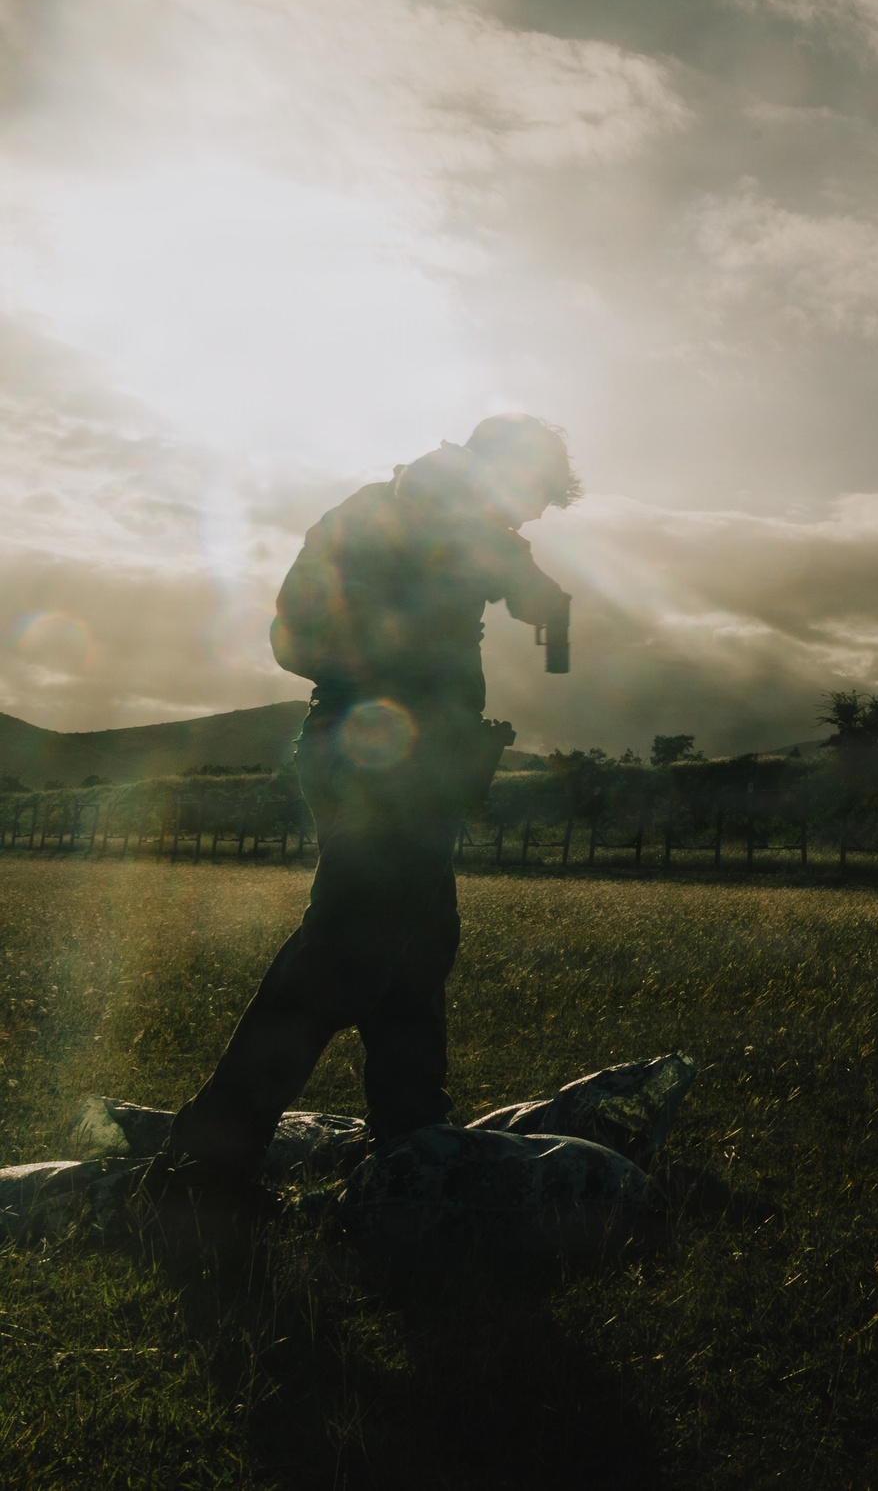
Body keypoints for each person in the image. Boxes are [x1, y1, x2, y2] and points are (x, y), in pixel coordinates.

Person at [149, 414, 580, 1208]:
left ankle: (409, 1129)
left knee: (416, 942)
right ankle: (208, 1155)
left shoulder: (453, 520)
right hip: (370, 758)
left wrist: (538, 596)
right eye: (529, 497)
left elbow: (510, 572)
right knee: (344, 948)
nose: (526, 518)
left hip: (418, 770)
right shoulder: (406, 516)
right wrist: (404, 670)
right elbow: (294, 639)